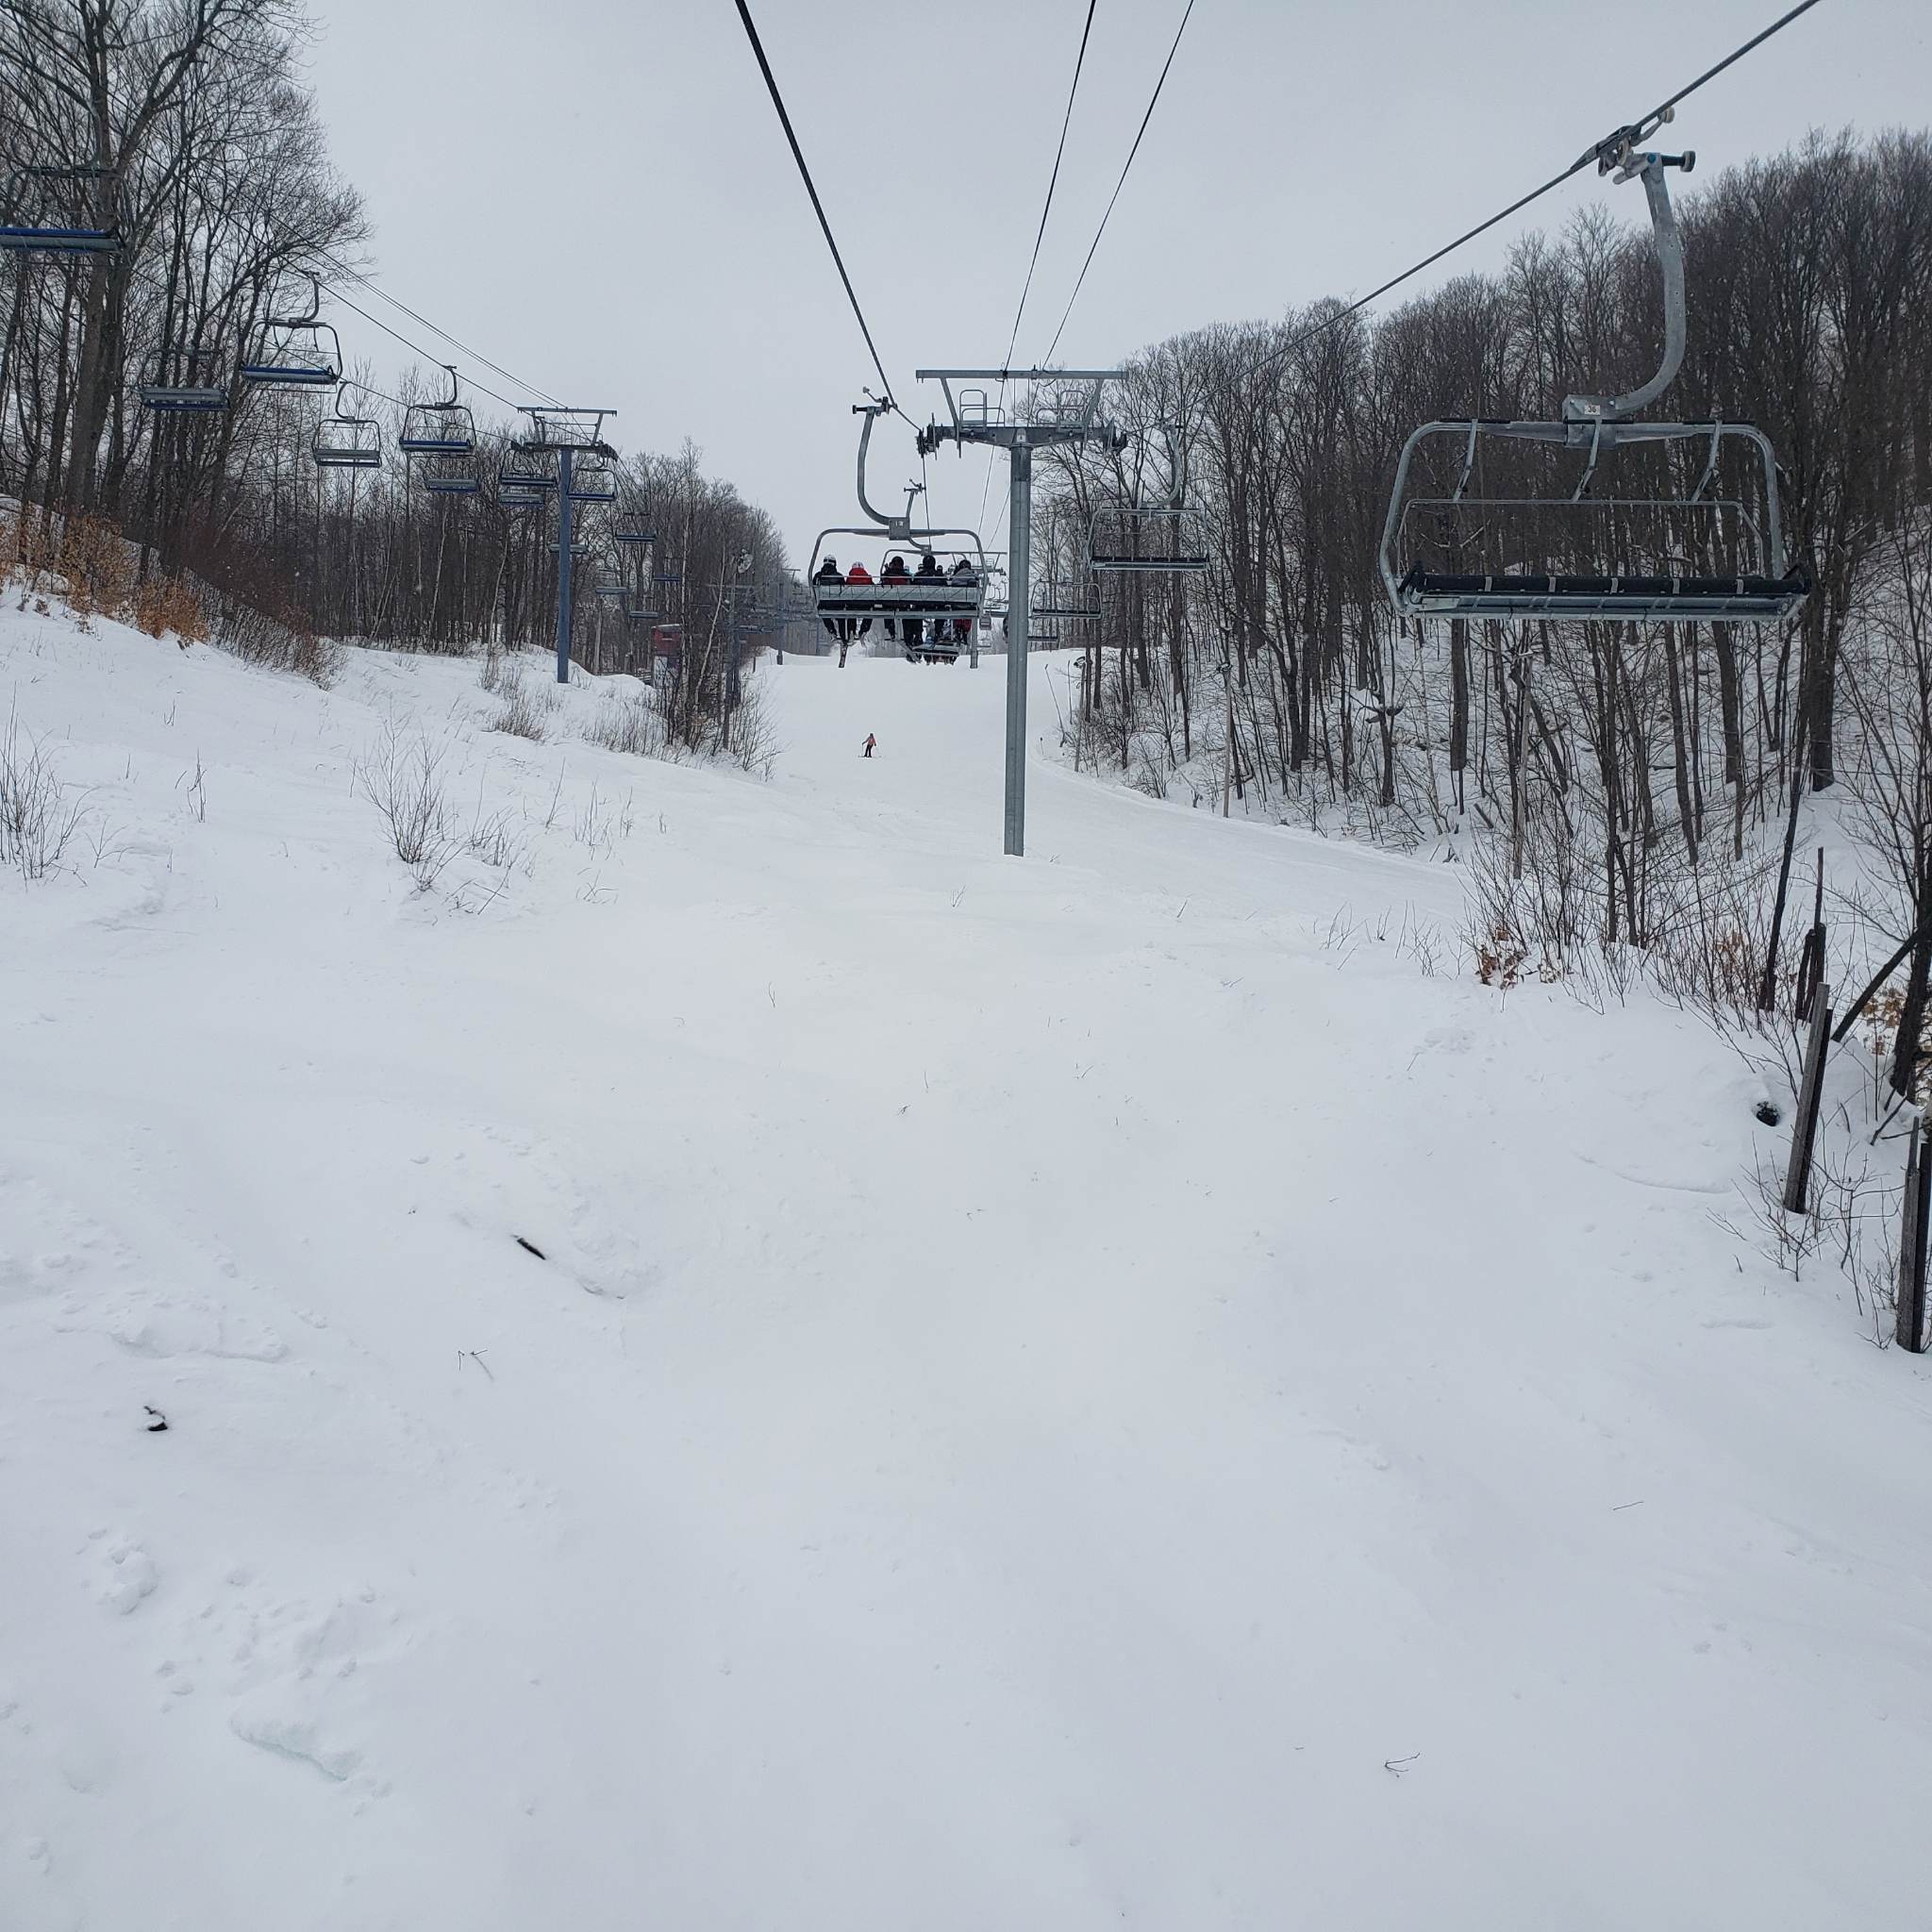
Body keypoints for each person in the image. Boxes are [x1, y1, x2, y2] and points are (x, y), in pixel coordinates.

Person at [840, 560, 874, 667]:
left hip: (852, 603)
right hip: (865, 604)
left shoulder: (849, 578)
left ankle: (851, 630)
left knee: (851, 613)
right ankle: (863, 630)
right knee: (870, 613)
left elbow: (844, 588)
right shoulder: (868, 578)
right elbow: (873, 588)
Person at [910, 553, 944, 658]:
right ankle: (938, 631)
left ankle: (918, 634)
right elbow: (946, 589)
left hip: (921, 604)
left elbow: (912, 589)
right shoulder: (939, 576)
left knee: (915, 613)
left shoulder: (918, 575)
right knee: (943, 611)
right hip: (936, 604)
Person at [878, 553, 911, 648]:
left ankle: (891, 631)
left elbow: (881, 586)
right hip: (903, 604)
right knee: (907, 616)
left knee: (887, 611)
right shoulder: (905, 576)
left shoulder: (887, 575)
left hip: (889, 603)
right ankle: (907, 636)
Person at [814, 555, 843, 651]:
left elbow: (814, 587)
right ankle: (843, 636)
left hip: (824, 604)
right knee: (841, 617)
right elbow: (844, 589)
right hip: (837, 605)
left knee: (824, 614)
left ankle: (832, 632)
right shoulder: (839, 576)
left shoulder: (818, 576)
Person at [948, 555, 978, 648]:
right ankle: (965, 631)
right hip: (969, 604)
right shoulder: (973, 577)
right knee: (969, 613)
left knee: (957, 612)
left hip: (956, 604)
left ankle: (958, 629)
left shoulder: (955, 577)